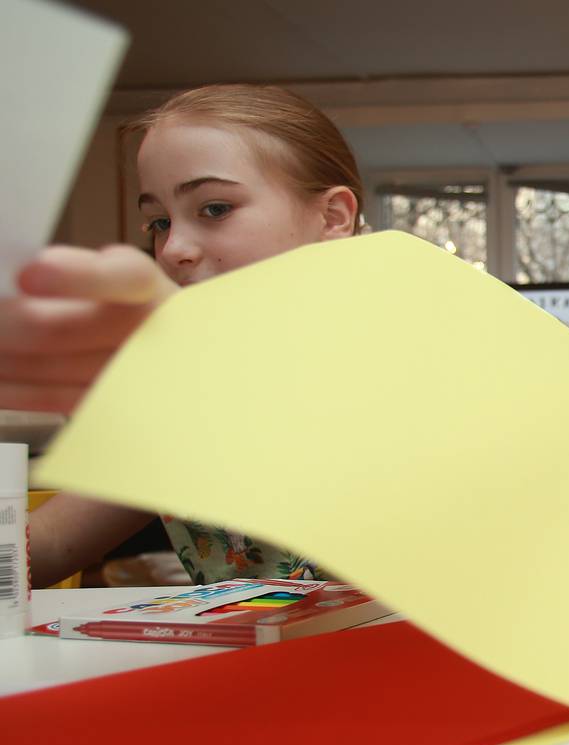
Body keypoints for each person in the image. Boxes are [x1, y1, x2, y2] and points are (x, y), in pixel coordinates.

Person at [1, 83, 362, 587]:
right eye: (160, 222)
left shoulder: (423, 362)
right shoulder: (186, 394)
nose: (173, 249)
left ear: (332, 217)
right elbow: (52, 543)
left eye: (215, 209)